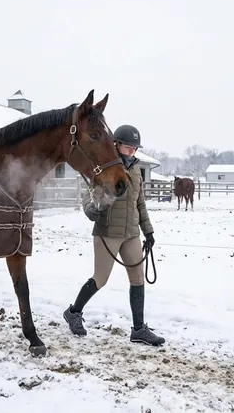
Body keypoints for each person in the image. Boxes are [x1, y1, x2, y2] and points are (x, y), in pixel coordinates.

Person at [62, 124, 165, 346]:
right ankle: (74, 312)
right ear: (116, 145)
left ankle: (138, 329)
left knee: (137, 279)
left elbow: (140, 202)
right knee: (100, 279)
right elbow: (89, 195)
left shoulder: (136, 170)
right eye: (128, 148)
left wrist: (148, 231)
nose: (131, 153)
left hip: (131, 233)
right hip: (107, 232)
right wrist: (91, 209)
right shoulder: (103, 166)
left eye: (134, 149)